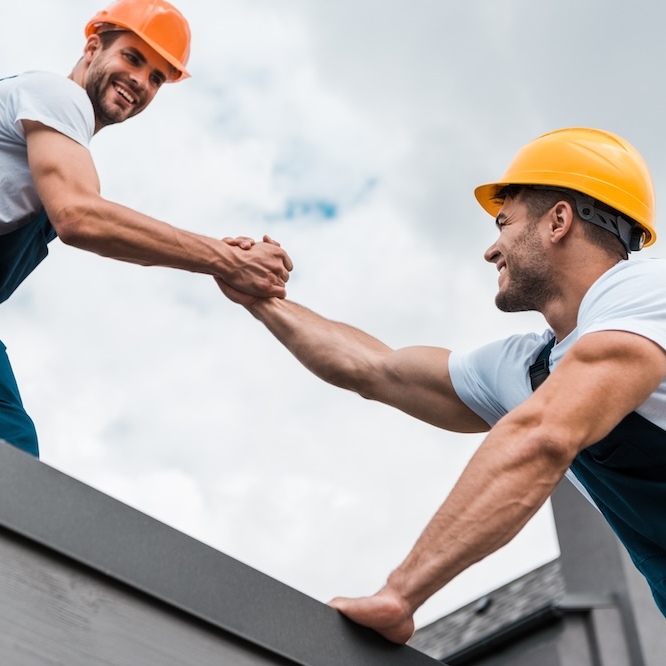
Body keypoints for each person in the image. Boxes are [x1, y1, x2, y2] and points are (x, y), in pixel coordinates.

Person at [217, 127, 666, 641]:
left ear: (558, 221)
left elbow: (543, 435)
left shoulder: (647, 294)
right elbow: (373, 369)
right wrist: (262, 299)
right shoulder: (531, 369)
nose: (491, 251)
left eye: (504, 223)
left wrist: (400, 595)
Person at [0, 0, 292, 458]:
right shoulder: (57, 96)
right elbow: (81, 217)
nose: (141, 81)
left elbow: (99, 221)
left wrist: (218, 254)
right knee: (13, 458)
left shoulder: (59, 150)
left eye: (157, 77)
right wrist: (227, 258)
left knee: (14, 457)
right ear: (93, 47)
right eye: (132, 58)